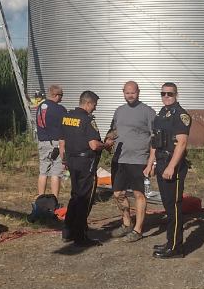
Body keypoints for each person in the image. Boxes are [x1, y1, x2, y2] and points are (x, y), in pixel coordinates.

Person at [60, 90, 112, 247]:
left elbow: (62, 140)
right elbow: (94, 144)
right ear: (88, 103)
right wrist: (106, 145)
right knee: (84, 198)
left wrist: (64, 159)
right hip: (85, 163)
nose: (95, 108)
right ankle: (80, 235)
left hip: (71, 160)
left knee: (75, 195)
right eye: (94, 105)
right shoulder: (87, 120)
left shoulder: (67, 117)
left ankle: (68, 231)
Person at [145, 83, 191, 259]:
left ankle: (176, 248)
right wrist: (150, 164)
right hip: (161, 162)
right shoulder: (161, 115)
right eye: (163, 94)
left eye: (169, 94)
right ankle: (170, 241)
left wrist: (172, 166)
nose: (166, 96)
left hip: (174, 165)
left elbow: (182, 143)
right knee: (167, 206)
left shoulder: (181, 115)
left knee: (174, 207)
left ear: (176, 94)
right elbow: (155, 142)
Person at [106, 82, 156, 241]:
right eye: (127, 93)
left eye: (133, 93)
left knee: (139, 194)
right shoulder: (119, 111)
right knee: (117, 193)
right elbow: (113, 131)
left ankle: (138, 230)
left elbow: (156, 138)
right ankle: (127, 223)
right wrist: (108, 139)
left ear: (138, 92)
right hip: (120, 159)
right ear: (123, 93)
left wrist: (151, 162)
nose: (130, 95)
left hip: (139, 159)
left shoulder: (148, 112)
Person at [35, 84, 66, 197]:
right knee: (55, 173)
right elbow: (64, 128)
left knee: (43, 172)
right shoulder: (59, 109)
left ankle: (40, 197)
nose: (62, 98)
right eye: (61, 95)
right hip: (55, 144)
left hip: (42, 142)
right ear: (56, 95)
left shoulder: (40, 107)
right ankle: (54, 199)